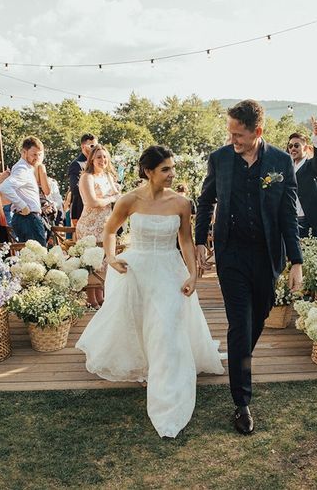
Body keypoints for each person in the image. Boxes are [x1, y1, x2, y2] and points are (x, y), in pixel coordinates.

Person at [76, 145, 224, 438]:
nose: (171, 174)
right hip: (137, 269)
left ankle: (167, 390)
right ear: (148, 171)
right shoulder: (129, 200)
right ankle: (145, 365)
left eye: (172, 168)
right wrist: (111, 257)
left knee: (166, 326)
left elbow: (184, 241)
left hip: (169, 270)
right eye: (165, 169)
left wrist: (193, 274)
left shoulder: (181, 203)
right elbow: (109, 231)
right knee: (141, 321)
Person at [195, 100, 303, 435]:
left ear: (258, 132)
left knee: (258, 318)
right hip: (231, 255)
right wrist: (201, 240)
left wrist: (296, 262)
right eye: (230, 132)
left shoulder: (280, 161)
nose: (232, 139)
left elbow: (288, 216)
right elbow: (206, 201)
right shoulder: (220, 159)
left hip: (267, 255)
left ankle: (240, 360)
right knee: (239, 325)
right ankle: (241, 402)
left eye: (238, 134)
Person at [0, 137, 47, 246]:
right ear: (24, 152)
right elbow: (4, 187)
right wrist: (23, 206)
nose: (37, 158)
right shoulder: (22, 169)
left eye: (39, 155)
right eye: (34, 154)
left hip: (27, 218)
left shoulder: (26, 168)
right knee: (39, 257)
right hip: (28, 219)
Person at [288, 117, 317, 240]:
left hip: (309, 220)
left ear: (305, 148)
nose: (292, 148)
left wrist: (316, 136)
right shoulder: (287, 168)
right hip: (291, 220)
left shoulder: (311, 166)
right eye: (290, 146)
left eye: (296, 145)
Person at [76, 144, 121, 242]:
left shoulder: (108, 176)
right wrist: (112, 198)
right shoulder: (87, 177)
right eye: (99, 157)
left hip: (106, 226)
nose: (103, 160)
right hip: (89, 228)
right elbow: (93, 202)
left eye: (105, 157)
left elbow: (118, 196)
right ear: (92, 159)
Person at [68, 133, 97, 226]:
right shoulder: (77, 164)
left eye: (96, 146)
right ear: (83, 146)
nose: (95, 149)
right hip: (81, 209)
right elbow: (75, 189)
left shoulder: (97, 163)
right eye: (92, 146)